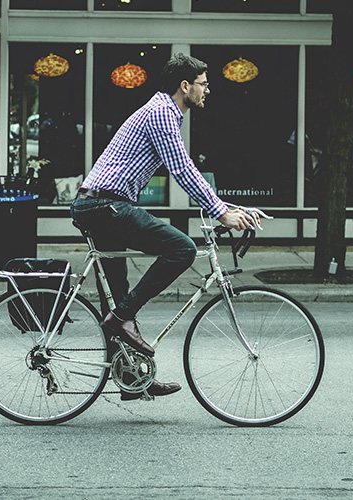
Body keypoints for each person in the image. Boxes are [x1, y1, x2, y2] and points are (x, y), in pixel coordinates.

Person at [70, 53, 260, 401]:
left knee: (119, 291)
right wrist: (221, 213)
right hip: (105, 204)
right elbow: (183, 170)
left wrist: (232, 208)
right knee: (182, 249)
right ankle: (121, 320)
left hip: (102, 204)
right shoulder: (162, 114)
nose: (208, 89)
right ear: (184, 86)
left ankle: (131, 377)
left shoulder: (165, 112)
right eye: (203, 83)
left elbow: (185, 170)